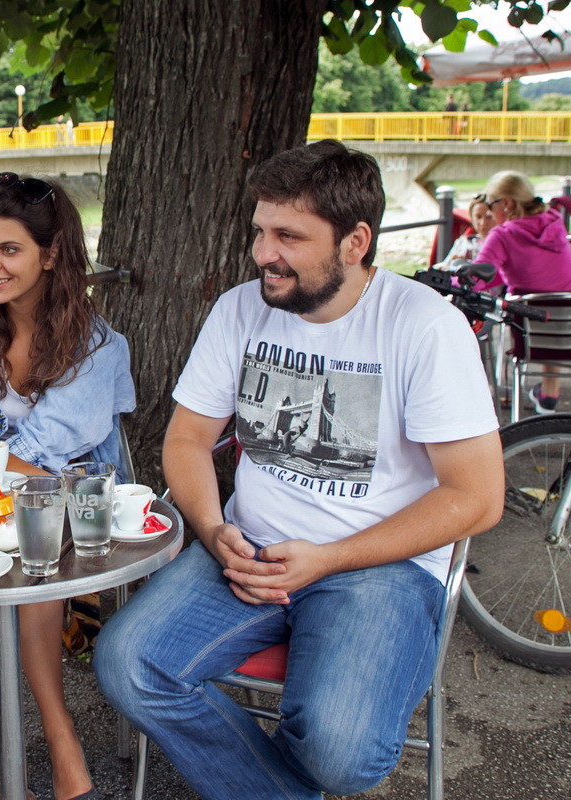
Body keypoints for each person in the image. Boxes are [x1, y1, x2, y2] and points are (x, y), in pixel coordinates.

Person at [94, 140, 504, 800]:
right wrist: (212, 529)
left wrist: (330, 558)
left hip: (379, 566)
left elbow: (477, 498)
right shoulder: (240, 309)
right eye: (260, 231)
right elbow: (188, 440)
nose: (263, 253)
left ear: (355, 242)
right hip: (248, 550)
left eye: (288, 236)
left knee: (342, 759)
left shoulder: (424, 326)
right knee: (128, 665)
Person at [0, 172, 135, 800]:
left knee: (29, 545)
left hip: (73, 505)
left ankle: (57, 733)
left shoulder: (96, 344)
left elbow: (48, 460)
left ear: (51, 253)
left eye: (9, 249)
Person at [477, 170, 571, 413]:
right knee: (554, 299)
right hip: (566, 334)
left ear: (506, 203)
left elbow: (477, 278)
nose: (489, 213)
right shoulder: (555, 223)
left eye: (490, 205)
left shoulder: (503, 235)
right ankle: (549, 393)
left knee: (530, 310)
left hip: (529, 338)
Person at [436, 194, 494, 269]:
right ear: (471, 219)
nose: (483, 222)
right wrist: (451, 264)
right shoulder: (463, 242)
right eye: (478, 217)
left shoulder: (501, 243)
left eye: (489, 217)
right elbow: (443, 267)